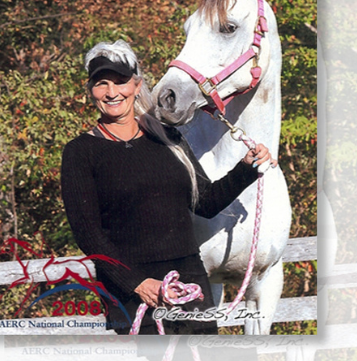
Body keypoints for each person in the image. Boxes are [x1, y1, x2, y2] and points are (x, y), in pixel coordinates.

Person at [60, 40, 275, 336]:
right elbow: (88, 234)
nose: (112, 93)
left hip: (189, 282)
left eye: (121, 82)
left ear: (137, 85)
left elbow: (207, 202)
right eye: (101, 84)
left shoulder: (167, 138)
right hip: (132, 292)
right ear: (91, 91)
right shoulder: (80, 152)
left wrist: (247, 168)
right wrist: (136, 283)